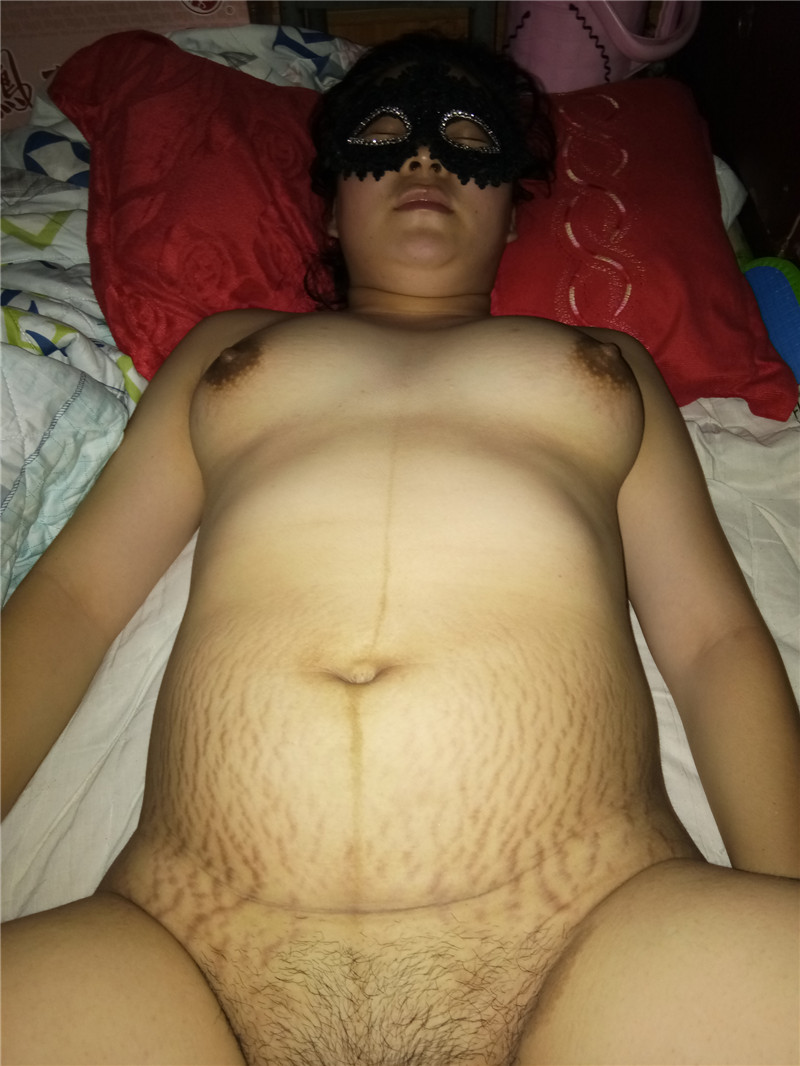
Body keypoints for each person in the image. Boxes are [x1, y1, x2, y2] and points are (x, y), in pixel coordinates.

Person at [2, 32, 798, 1066]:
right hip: (176, 949)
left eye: (467, 137)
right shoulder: (229, 350)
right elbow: (76, 598)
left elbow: (711, 641)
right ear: (332, 207)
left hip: (599, 930)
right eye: (382, 133)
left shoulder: (604, 365)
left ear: (512, 207)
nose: (425, 157)